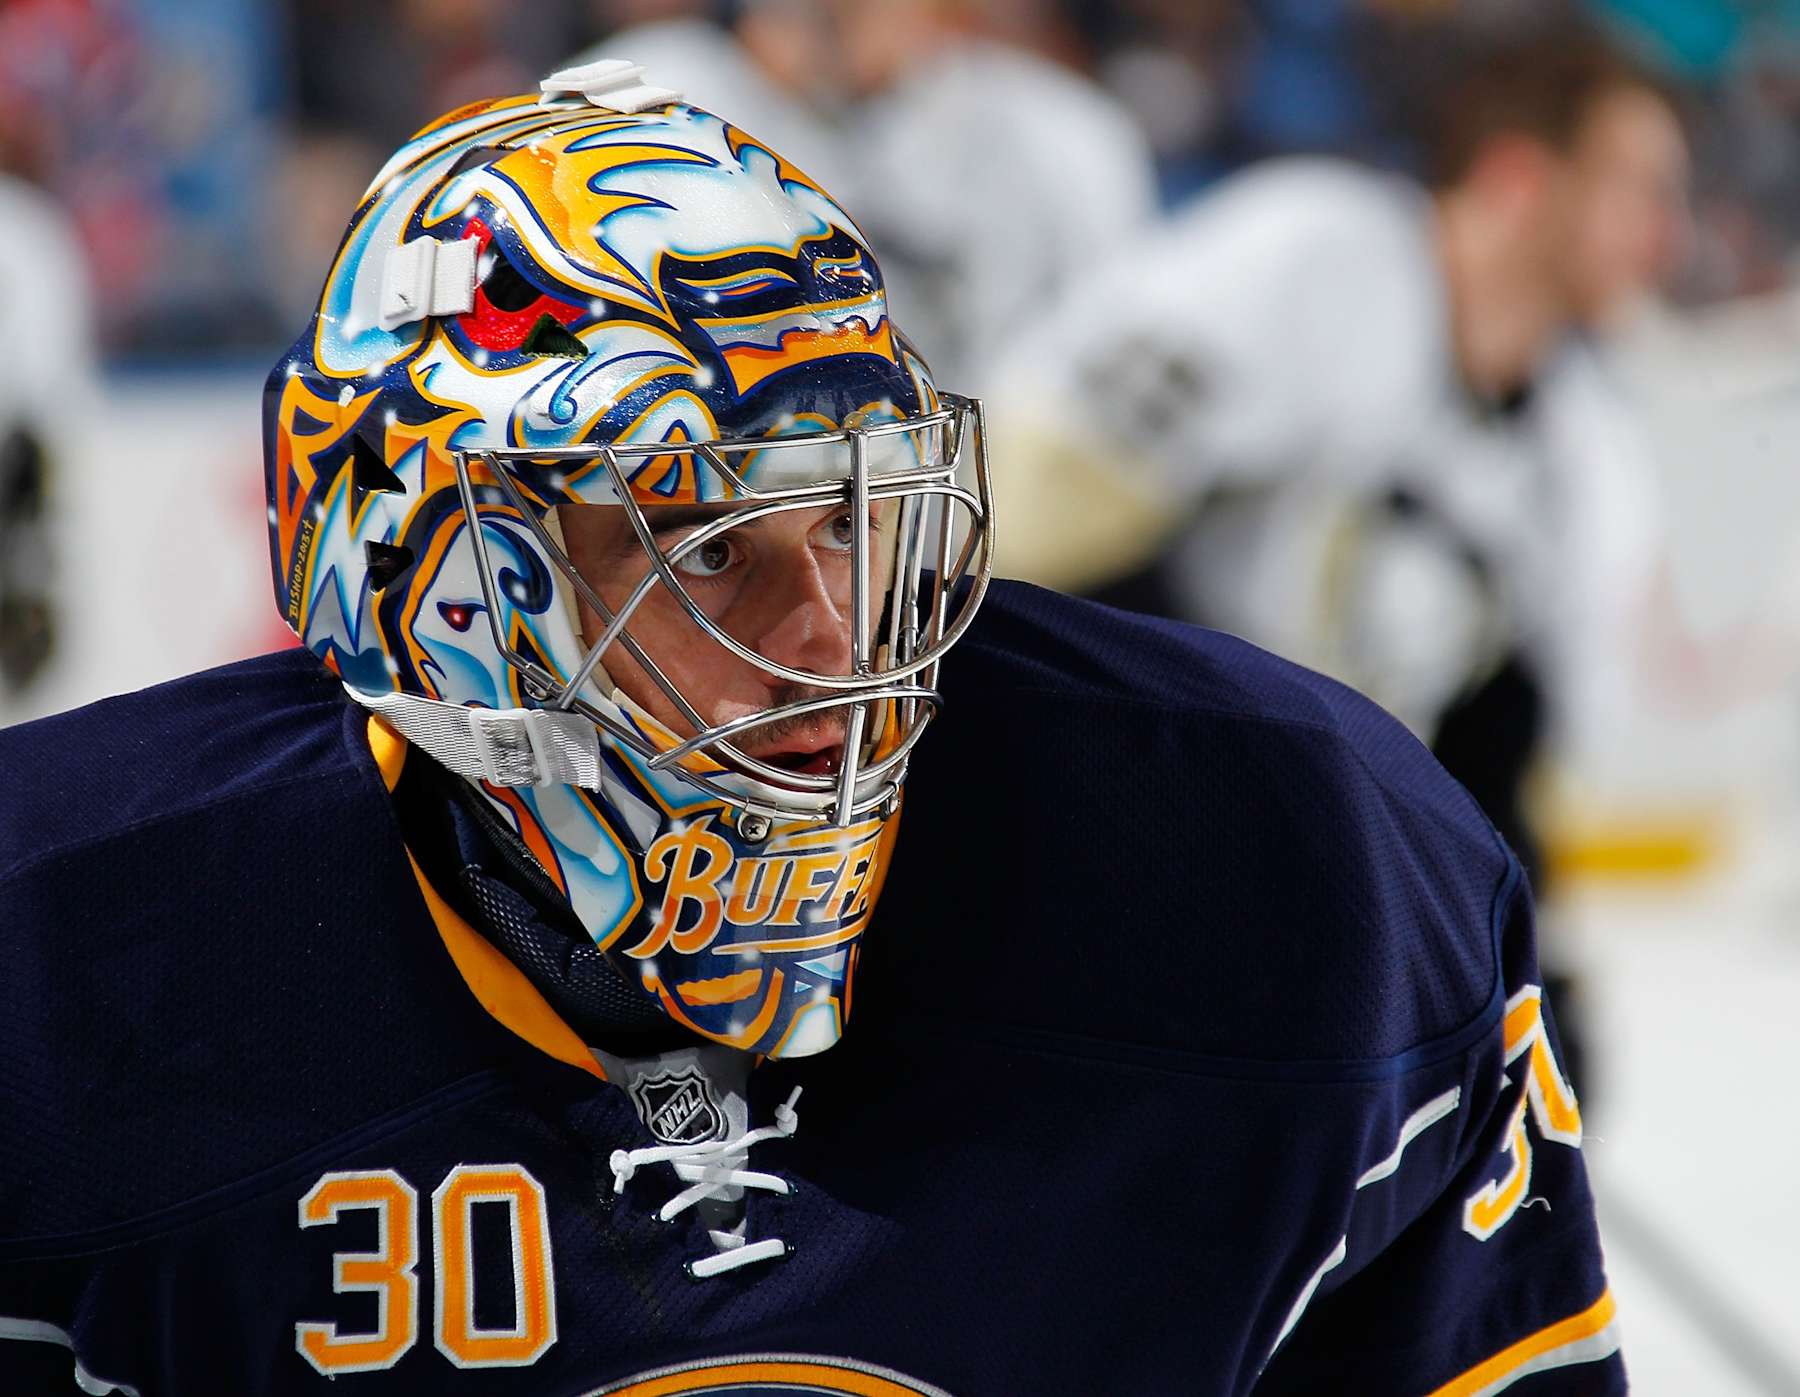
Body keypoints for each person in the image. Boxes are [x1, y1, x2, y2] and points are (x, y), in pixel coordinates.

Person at [0, 64, 1621, 1395]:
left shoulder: (1302, 877)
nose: (836, 643)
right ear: (446, 589)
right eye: (706, 544)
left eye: (856, 521)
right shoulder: (71, 966)